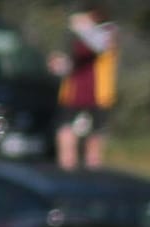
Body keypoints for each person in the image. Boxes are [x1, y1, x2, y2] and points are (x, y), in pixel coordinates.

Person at [48, 9, 116, 170]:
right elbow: (72, 65)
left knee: (96, 132)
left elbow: (99, 47)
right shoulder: (76, 38)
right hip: (72, 92)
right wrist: (59, 66)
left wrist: (83, 28)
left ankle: (93, 166)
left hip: (99, 93)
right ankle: (66, 165)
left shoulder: (107, 31)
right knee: (65, 128)